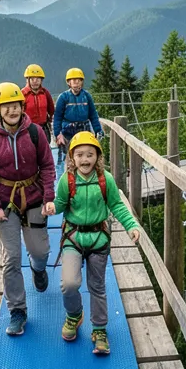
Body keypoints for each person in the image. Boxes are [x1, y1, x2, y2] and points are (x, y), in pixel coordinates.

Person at [52, 132, 141, 355]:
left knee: (97, 286)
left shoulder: (105, 179)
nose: (85, 159)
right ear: (72, 157)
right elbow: (61, 203)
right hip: (73, 237)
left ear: (97, 156)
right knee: (69, 284)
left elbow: (117, 205)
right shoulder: (67, 180)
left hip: (98, 238)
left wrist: (131, 225)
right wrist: (53, 207)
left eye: (90, 154)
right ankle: (74, 314)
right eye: (80, 154)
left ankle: (100, 329)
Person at [0, 81, 57, 336]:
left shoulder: (35, 133)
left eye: (15, 106)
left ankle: (38, 268)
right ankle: (18, 311)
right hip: (5, 202)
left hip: (34, 196)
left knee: (40, 250)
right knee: (11, 259)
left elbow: (47, 165)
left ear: (21, 106)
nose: (12, 111)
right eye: (6, 107)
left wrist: (48, 196)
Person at [52, 67, 103, 167]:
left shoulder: (87, 96)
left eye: (79, 80)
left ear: (82, 82)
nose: (76, 83)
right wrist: (58, 134)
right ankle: (69, 180)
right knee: (69, 159)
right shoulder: (63, 97)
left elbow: (93, 115)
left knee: (84, 156)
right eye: (73, 80)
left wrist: (98, 130)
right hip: (67, 132)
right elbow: (57, 117)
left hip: (84, 130)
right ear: (69, 82)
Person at [21, 63, 54, 139]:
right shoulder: (22, 94)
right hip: (27, 128)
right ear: (27, 80)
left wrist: (49, 119)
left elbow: (51, 109)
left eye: (38, 79)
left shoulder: (45, 93)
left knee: (45, 149)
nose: (35, 81)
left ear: (41, 80)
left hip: (43, 127)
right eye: (32, 79)